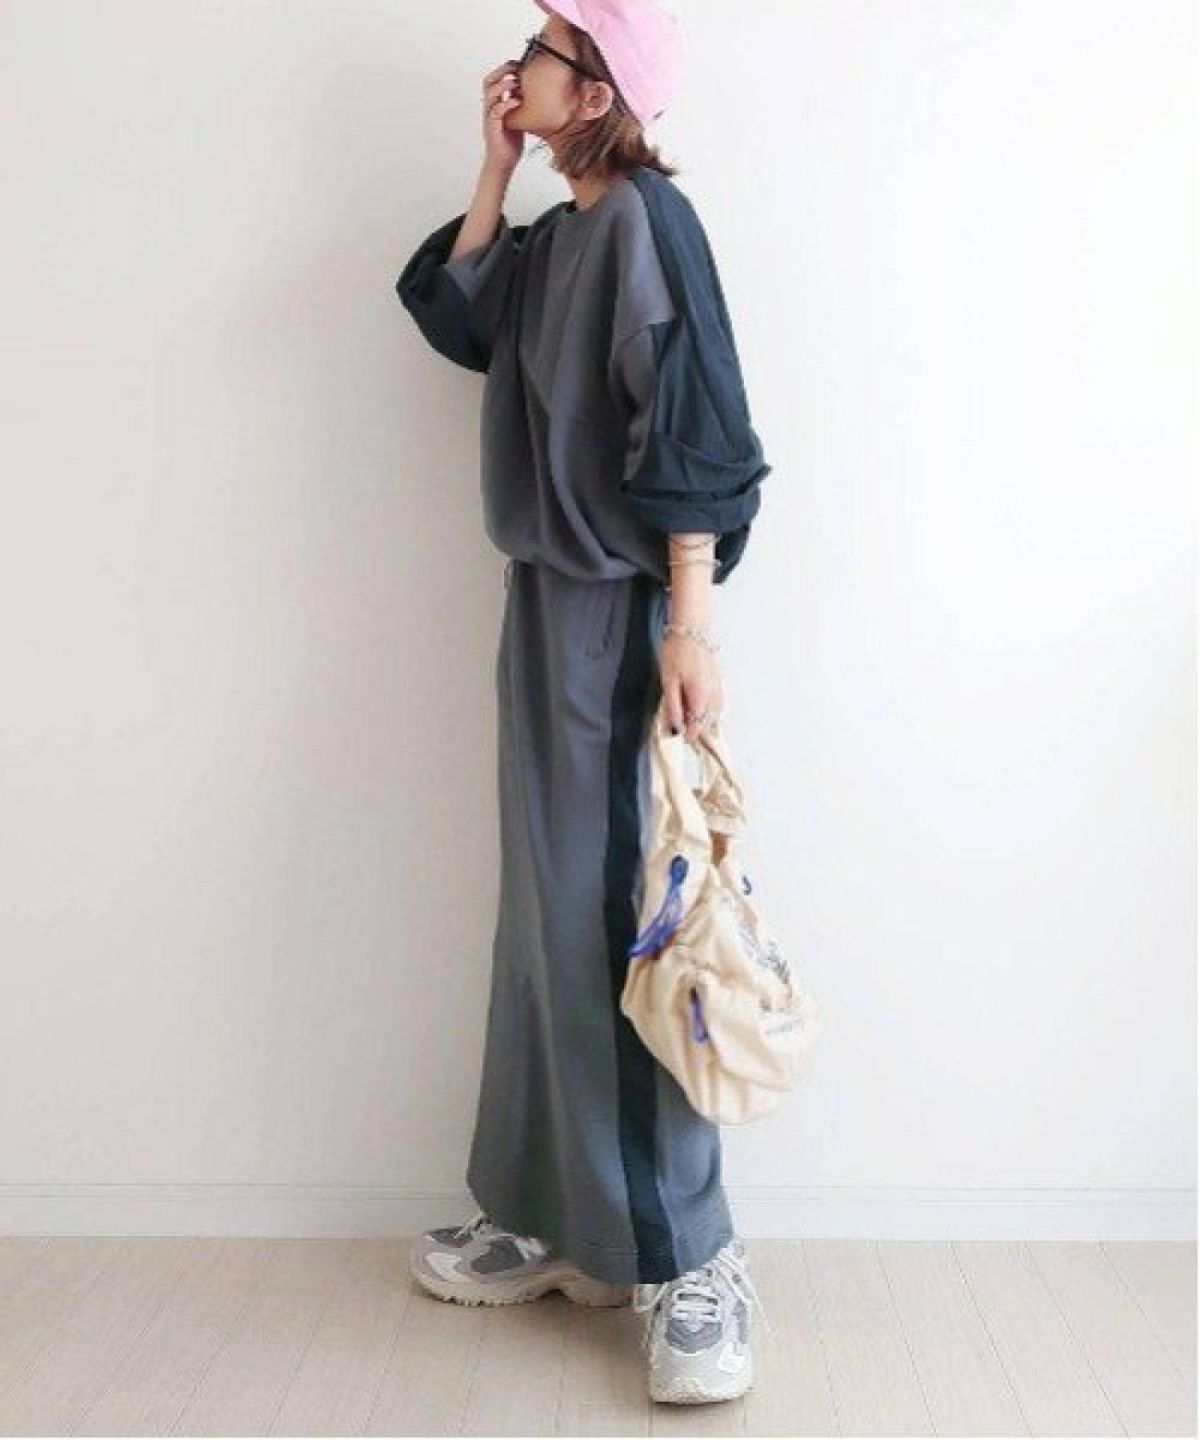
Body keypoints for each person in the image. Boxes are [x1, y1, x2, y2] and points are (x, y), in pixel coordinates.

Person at [394, 0, 772, 1406]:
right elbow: (457, 314)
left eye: (546, 50)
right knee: (548, 922)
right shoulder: (562, 237)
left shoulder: (650, 228)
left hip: (620, 619)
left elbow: (699, 426)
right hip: (545, 610)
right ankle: (560, 1220)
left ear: (599, 89)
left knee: (631, 924)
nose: (518, 64)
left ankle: (693, 1260)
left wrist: (691, 623)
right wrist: (494, 168)